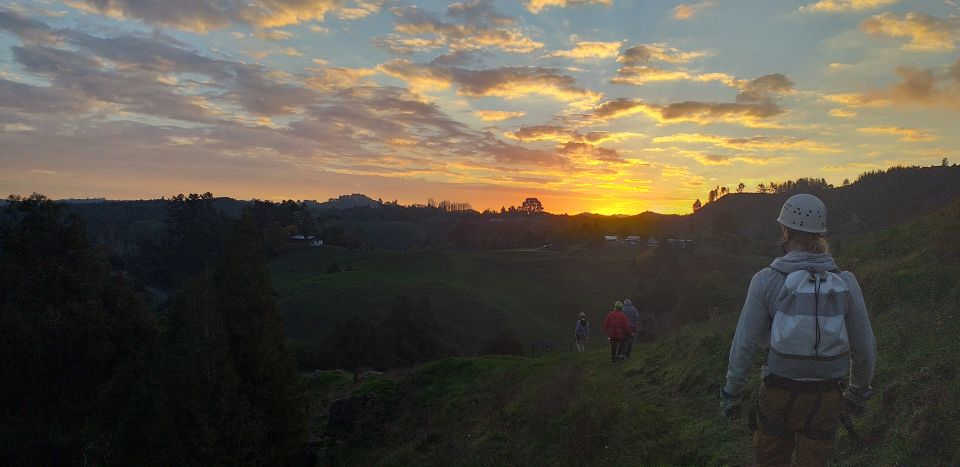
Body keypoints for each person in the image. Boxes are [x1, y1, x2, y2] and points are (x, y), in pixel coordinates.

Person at [720, 193, 876, 466]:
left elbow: (744, 342)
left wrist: (731, 392)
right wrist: (857, 393)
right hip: (827, 396)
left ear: (785, 231)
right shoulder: (845, 282)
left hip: (778, 392)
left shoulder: (766, 280)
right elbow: (864, 346)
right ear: (821, 233)